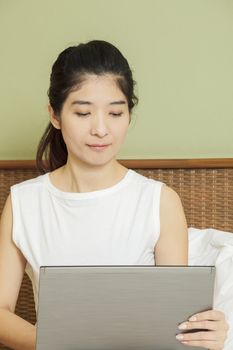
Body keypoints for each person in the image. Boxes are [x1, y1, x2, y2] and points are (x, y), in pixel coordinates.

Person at [0, 40, 228, 350]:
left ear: (129, 115)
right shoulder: (23, 203)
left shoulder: (159, 202)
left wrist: (208, 331)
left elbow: (177, 320)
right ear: (55, 115)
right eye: (83, 113)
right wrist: (55, 344)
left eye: (116, 113)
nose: (101, 129)